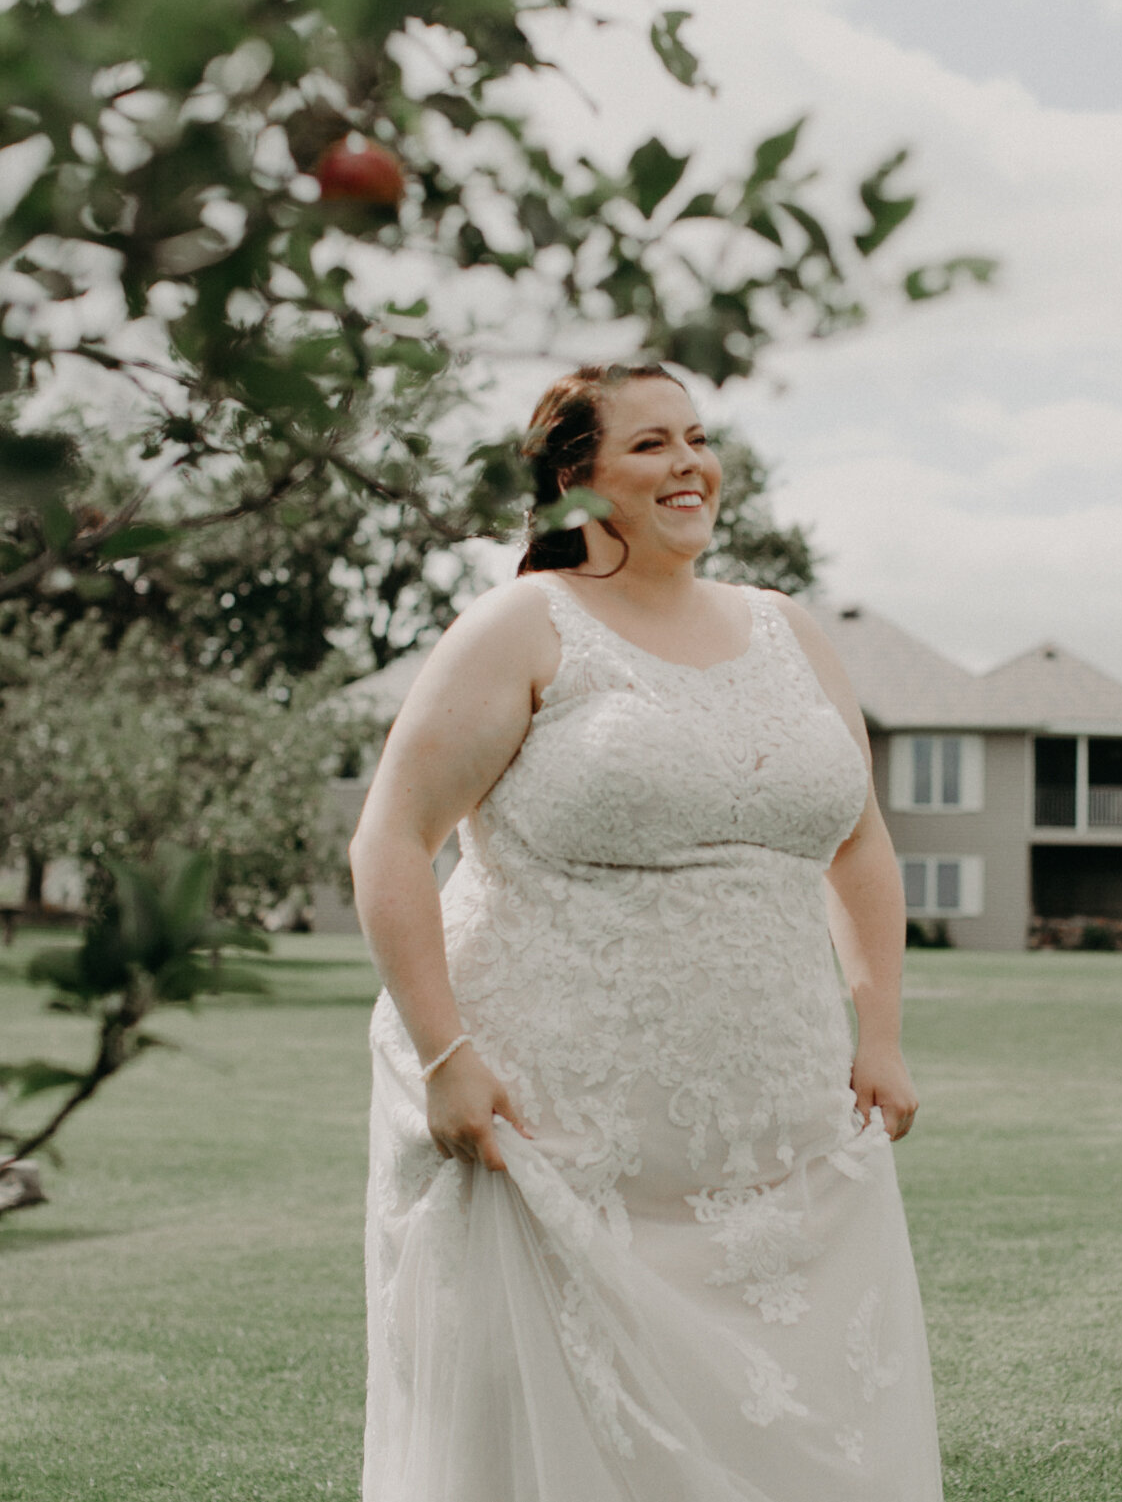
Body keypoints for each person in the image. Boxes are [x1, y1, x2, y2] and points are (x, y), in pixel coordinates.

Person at [351, 363, 942, 1500]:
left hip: (785, 1137)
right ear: (576, 482)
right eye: (652, 445)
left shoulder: (788, 629)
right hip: (553, 1136)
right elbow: (390, 839)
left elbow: (859, 842)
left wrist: (882, 1032)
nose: (690, 465)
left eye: (699, 438)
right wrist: (442, 1054)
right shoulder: (522, 625)